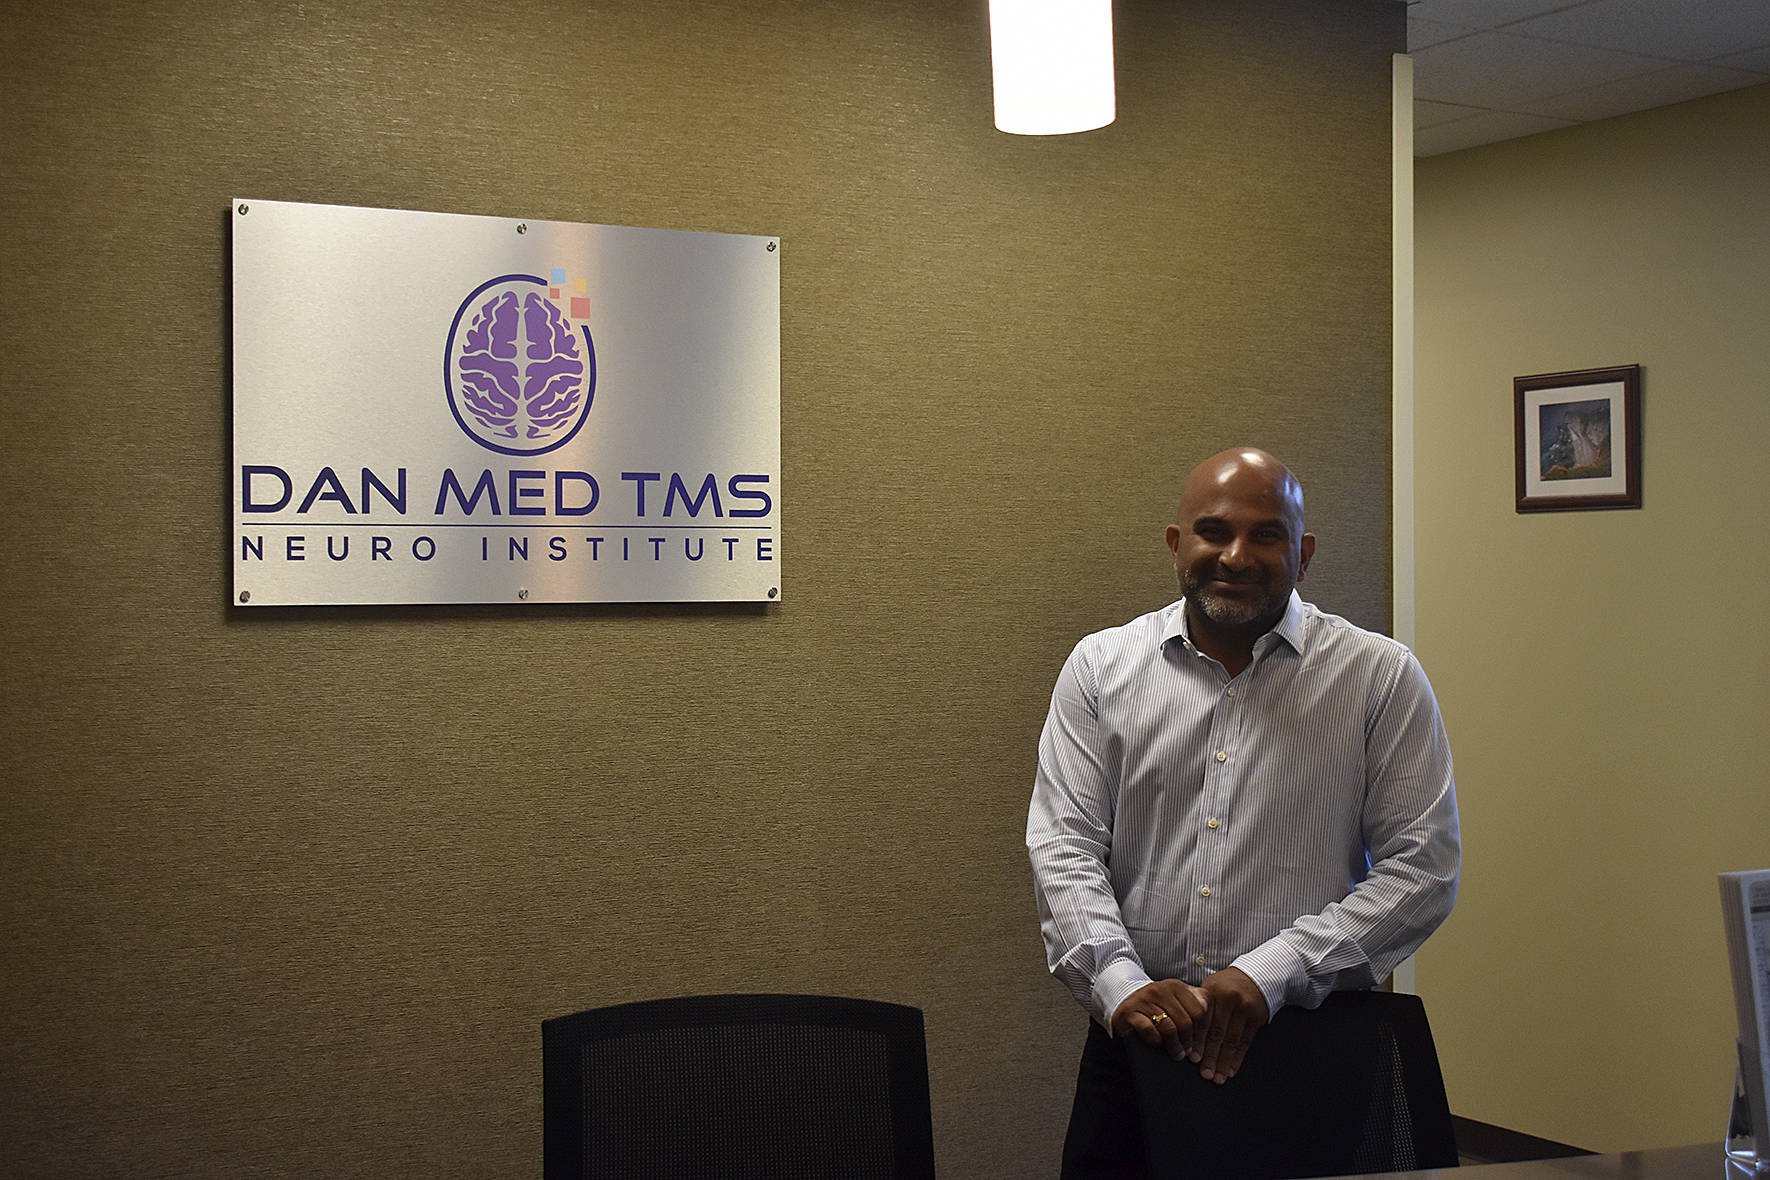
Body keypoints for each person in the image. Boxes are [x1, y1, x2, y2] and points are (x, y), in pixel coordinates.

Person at [1026, 447, 1460, 1177]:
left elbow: (1424, 870)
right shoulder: (1100, 669)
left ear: (1304, 552)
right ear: (1176, 545)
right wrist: (1121, 985)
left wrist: (1273, 972)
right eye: (1213, 531)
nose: (1237, 555)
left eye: (1267, 534)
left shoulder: (1379, 678)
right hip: (1138, 1047)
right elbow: (1064, 847)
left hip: (1308, 1051)